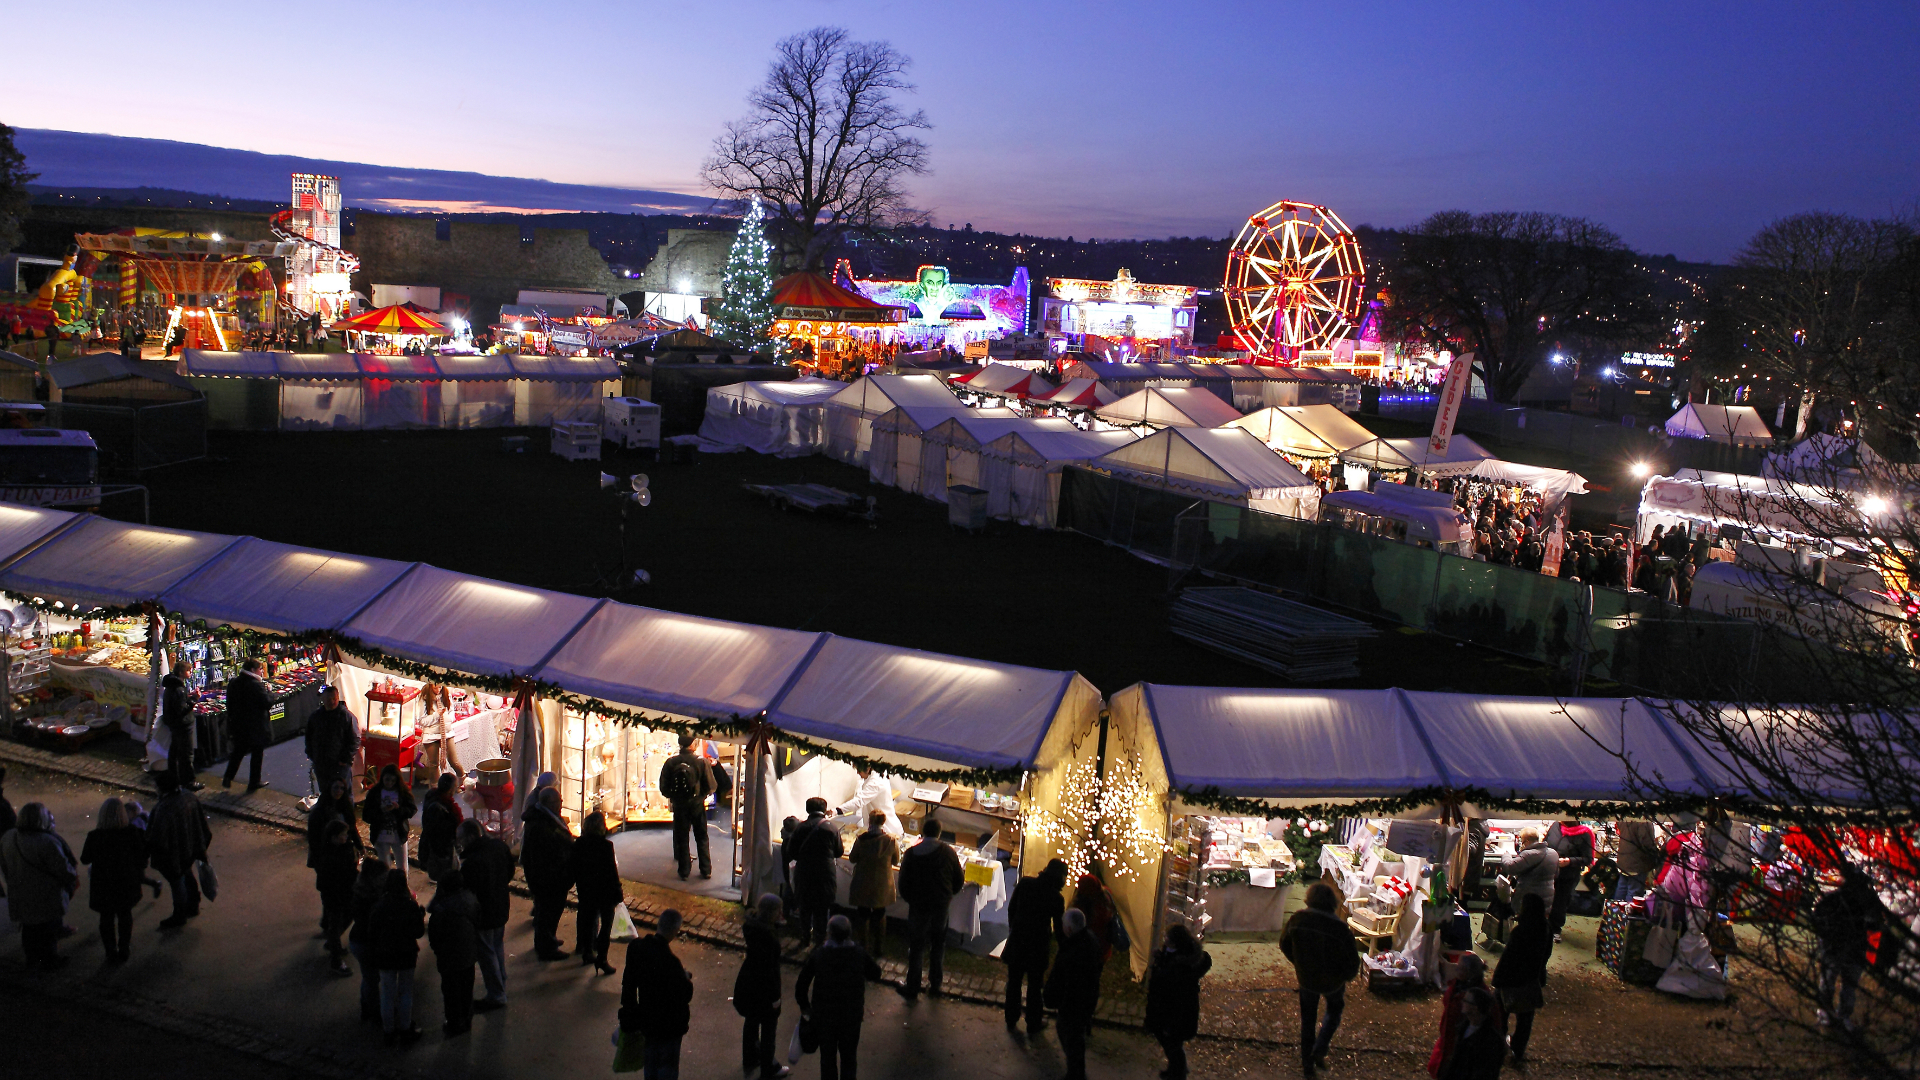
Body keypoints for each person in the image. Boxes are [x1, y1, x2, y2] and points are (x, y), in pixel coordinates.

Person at [1281, 883, 1360, 1076]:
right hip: (1333, 983)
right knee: (1334, 1011)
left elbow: (1284, 944)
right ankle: (1320, 1049)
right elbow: (1352, 961)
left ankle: (1307, 1064)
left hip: (1307, 979)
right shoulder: (1340, 928)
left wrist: (1298, 963)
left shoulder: (1298, 919)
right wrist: (1344, 977)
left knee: (1308, 1021)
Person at [796, 913, 883, 1080]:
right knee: (849, 1058)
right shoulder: (858, 954)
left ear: (829, 933)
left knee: (827, 1059)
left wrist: (806, 1007)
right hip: (851, 1016)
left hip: (824, 1016)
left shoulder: (820, 955)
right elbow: (876, 973)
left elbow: (801, 985)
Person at [1, 802, 78, 970]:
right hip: (45, 896)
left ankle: (32, 959)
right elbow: (65, 871)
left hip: (20, 894)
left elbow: (5, 867)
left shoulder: (8, 837)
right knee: (48, 930)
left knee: (29, 929)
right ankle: (49, 961)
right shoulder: (47, 842)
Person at [1811, 866, 1887, 1033]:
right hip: (1837, 946)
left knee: (1845, 984)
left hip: (1853, 947)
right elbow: (1818, 919)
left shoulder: (1866, 900)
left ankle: (1840, 1015)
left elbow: (1877, 921)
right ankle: (1827, 1013)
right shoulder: (1834, 900)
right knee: (1832, 981)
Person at [897, 818, 964, 999]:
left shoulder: (912, 854)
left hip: (919, 905)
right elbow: (959, 879)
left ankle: (912, 986)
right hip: (940, 906)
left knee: (917, 945)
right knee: (938, 944)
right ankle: (935, 985)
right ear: (939, 833)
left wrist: (911, 899)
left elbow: (903, 883)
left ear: (923, 832)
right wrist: (947, 896)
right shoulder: (948, 852)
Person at [622, 908, 693, 1080]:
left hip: (647, 1019)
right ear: (675, 931)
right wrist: (686, 978)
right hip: (669, 1025)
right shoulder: (671, 963)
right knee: (667, 1066)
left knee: (651, 1061)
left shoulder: (637, 948)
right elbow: (685, 994)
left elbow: (629, 983)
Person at [1003, 857, 1069, 1033]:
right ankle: (1033, 1022)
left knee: (1014, 982)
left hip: (1018, 940)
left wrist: (1014, 928)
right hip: (1037, 947)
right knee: (1034, 986)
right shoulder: (1056, 898)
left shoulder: (1025, 884)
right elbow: (1058, 926)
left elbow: (1012, 909)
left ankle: (1011, 1016)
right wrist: (1064, 947)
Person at [80, 796, 148, 964]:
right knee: (125, 915)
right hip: (126, 883)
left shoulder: (95, 836)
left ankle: (110, 951)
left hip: (103, 884)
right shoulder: (132, 833)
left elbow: (85, 859)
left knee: (106, 918)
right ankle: (124, 948)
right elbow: (142, 859)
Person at [456, 818, 515, 1010]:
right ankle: (501, 985)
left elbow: (467, 889)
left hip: (484, 913)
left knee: (487, 954)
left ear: (471, 836)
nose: (460, 843)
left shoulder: (472, 862)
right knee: (497, 947)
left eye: (462, 839)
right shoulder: (498, 847)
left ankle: (496, 994)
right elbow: (510, 872)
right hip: (501, 905)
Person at [1145, 924, 1212, 1080]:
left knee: (1172, 1043)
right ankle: (1176, 1069)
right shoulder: (1178, 957)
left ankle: (1178, 1072)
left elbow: (1169, 983)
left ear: (1175, 942)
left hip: (1175, 1013)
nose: (1165, 938)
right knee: (1172, 1043)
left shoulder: (1181, 968)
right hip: (1170, 1010)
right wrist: (1161, 958)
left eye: (1168, 937)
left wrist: (1160, 967)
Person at [735, 893, 791, 1080]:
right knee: (768, 1029)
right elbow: (771, 972)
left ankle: (749, 1057)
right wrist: (776, 998)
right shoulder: (769, 939)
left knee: (751, 1022)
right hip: (765, 990)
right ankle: (769, 1068)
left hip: (749, 982)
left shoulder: (753, 929)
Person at [1045, 908, 1105, 1080]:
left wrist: (1053, 997)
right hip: (1085, 999)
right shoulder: (1090, 941)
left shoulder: (1071, 951)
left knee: (1070, 1036)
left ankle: (1076, 1073)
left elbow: (1062, 979)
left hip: (1074, 1003)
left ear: (1069, 929)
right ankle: (1076, 1070)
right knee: (1072, 1035)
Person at [368, 867, 426, 1045]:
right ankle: (405, 1026)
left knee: (387, 993)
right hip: (406, 953)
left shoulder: (380, 905)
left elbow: (372, 932)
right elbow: (418, 932)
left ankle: (388, 1030)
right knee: (405, 991)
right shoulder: (409, 905)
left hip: (385, 954)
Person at [147, 768, 211, 928]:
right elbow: (201, 824)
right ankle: (194, 904)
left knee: (177, 883)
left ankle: (180, 914)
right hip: (190, 847)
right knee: (187, 873)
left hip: (174, 853)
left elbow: (157, 837)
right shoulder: (189, 797)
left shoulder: (163, 808)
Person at [1493, 893, 1551, 1066]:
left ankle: (1499, 1047)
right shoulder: (1545, 929)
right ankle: (1518, 1051)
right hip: (1530, 980)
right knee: (1525, 1020)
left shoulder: (1520, 931)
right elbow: (1545, 955)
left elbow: (1509, 957)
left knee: (1501, 1015)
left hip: (1511, 980)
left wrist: (1498, 979)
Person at [521, 786, 575, 960]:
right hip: (549, 880)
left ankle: (548, 939)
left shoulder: (545, 818)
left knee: (549, 913)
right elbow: (547, 855)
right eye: (559, 801)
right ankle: (546, 948)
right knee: (547, 913)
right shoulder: (541, 826)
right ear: (549, 803)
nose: (561, 804)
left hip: (552, 878)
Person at [427, 866, 481, 1036]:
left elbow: (434, 934)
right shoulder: (470, 900)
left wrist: (437, 950)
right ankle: (467, 1018)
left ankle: (454, 1023)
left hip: (448, 957)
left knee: (451, 992)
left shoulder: (441, 908)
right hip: (468, 954)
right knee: (466, 988)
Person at [1428, 952, 1500, 1078]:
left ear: (1468, 972)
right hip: (1450, 1038)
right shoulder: (1457, 985)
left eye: (1460, 967)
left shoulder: (1480, 996)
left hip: (1466, 1045)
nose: (1456, 969)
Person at [568, 810, 622, 975]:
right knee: (605, 926)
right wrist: (617, 892)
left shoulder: (579, 844)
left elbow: (574, 868)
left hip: (586, 890)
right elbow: (611, 871)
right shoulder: (606, 846)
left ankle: (586, 951)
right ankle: (602, 959)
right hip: (604, 892)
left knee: (587, 920)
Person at [308, 778, 363, 934]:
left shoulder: (344, 807)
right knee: (331, 894)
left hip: (342, 855)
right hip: (325, 857)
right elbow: (313, 839)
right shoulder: (319, 812)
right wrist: (320, 859)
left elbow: (351, 828)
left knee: (337, 894)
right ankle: (330, 928)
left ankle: (330, 926)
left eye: (341, 788)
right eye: (335, 787)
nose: (338, 791)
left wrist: (359, 845)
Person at [659, 734, 715, 880]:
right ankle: (706, 869)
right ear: (692, 744)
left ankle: (684, 870)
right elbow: (711, 786)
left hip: (679, 806)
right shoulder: (701, 762)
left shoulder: (670, 763)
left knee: (682, 837)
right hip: (697, 805)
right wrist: (700, 796)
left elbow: (663, 788)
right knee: (701, 836)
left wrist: (675, 797)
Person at [786, 798, 842, 947]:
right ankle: (820, 939)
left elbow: (791, 851)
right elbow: (839, 851)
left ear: (807, 809)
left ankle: (805, 936)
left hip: (804, 871)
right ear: (824, 810)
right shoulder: (832, 828)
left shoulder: (800, 828)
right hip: (825, 873)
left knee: (805, 906)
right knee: (822, 908)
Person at [846, 811, 897, 957]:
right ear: (883, 822)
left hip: (863, 880)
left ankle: (863, 945)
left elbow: (852, 858)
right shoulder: (891, 840)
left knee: (863, 913)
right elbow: (895, 860)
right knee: (880, 913)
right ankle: (879, 947)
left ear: (870, 821)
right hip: (882, 883)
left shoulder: (861, 840)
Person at [221, 659, 274, 793]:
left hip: (239, 725)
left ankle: (228, 777)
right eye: (260, 669)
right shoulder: (256, 685)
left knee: (238, 752)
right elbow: (267, 702)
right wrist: (270, 692)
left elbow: (230, 703)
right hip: (256, 726)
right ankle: (254, 782)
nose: (262, 671)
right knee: (257, 754)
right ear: (253, 670)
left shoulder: (234, 682)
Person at [347, 856, 389, 1023]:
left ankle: (367, 1008)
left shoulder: (359, 892)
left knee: (369, 977)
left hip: (358, 940)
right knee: (375, 978)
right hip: (369, 943)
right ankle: (375, 1011)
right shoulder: (376, 899)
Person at [314, 818, 359, 975]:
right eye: (343, 834)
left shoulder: (344, 848)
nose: (346, 837)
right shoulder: (329, 856)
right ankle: (336, 960)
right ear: (333, 837)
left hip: (344, 892)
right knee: (336, 922)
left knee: (346, 918)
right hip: (335, 895)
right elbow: (330, 879)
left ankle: (334, 943)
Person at [1437, 986, 1506, 1080]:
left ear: (1475, 1008)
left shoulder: (1491, 1040)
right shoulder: (1462, 1028)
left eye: (1465, 1001)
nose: (1462, 1002)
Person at [305, 685, 361, 796]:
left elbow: (355, 739)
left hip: (340, 765)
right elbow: (309, 737)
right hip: (322, 764)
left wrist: (345, 759)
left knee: (343, 794)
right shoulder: (315, 717)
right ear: (322, 699)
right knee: (326, 793)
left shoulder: (346, 717)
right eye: (328, 699)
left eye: (334, 699)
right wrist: (313, 755)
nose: (332, 702)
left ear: (338, 697)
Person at [362, 764, 417, 876]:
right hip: (381, 835)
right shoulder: (375, 792)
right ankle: (386, 890)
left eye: (393, 780)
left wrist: (398, 810)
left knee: (402, 868)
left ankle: (402, 890)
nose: (390, 783)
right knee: (384, 868)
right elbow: (366, 815)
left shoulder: (402, 792)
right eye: (387, 780)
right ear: (382, 778)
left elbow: (412, 810)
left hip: (398, 834)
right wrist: (380, 811)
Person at [1546, 818, 1595, 942]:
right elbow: (1546, 842)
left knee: (1560, 902)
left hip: (1568, 875)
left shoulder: (1584, 833)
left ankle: (1555, 930)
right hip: (1549, 871)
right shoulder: (1556, 826)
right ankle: (1543, 926)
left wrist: (1569, 861)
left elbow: (1588, 858)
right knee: (1546, 899)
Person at [1499, 828, 1558, 917]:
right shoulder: (1553, 853)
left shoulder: (1528, 854)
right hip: (1547, 896)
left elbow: (1510, 867)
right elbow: (1556, 873)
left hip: (1528, 896)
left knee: (1526, 920)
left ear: (1526, 841)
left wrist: (1506, 855)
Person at [160, 664, 200, 790]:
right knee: (186, 754)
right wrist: (194, 699)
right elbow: (181, 709)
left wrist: (188, 697)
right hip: (182, 724)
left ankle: (174, 778)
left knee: (175, 752)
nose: (191, 672)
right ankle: (189, 781)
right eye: (188, 670)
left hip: (175, 724)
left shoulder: (172, 686)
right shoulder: (178, 688)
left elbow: (178, 703)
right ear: (182, 672)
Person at [418, 772, 463, 881]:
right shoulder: (451, 810)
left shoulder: (430, 797)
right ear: (451, 790)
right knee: (448, 879)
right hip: (444, 852)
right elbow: (458, 830)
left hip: (429, 846)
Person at [835, 767, 901, 836]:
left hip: (886, 828)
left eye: (859, 770)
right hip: (876, 825)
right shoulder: (875, 775)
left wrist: (837, 810)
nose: (857, 773)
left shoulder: (876, 782)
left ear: (868, 768)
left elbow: (859, 801)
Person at [1613, 820, 1663, 901]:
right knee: (1634, 892)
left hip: (1623, 859)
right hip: (1637, 862)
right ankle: (1629, 913)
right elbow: (1647, 843)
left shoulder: (1626, 817)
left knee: (1622, 888)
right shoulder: (1643, 821)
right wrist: (1656, 854)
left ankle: (1615, 911)